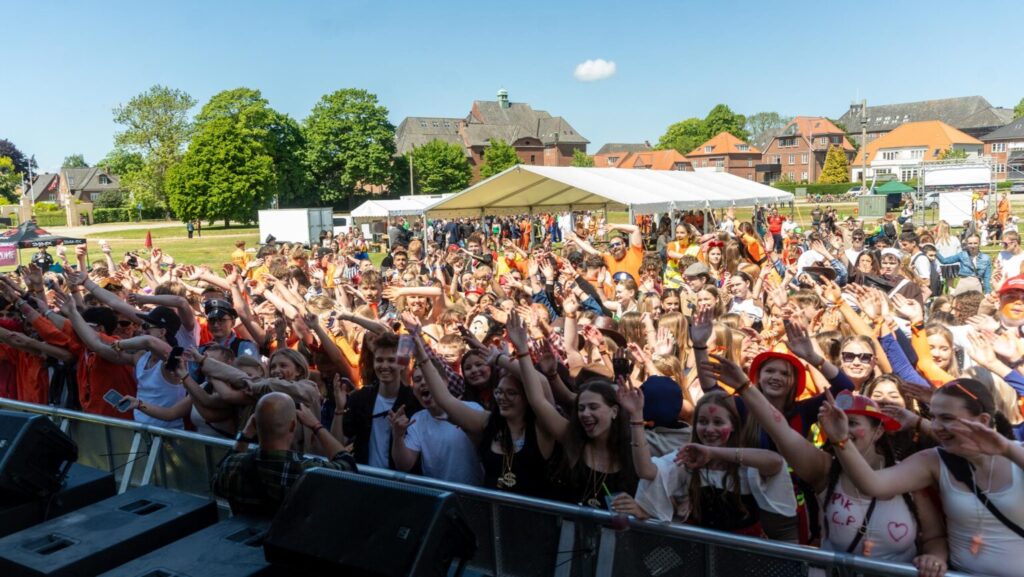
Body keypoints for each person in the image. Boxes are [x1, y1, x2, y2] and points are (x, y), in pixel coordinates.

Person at [212, 392, 356, 517]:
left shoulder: (232, 467)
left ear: (254, 424)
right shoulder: (305, 471)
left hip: (247, 543)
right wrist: (316, 425)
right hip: (289, 544)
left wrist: (246, 433)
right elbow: (348, 466)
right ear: (293, 425)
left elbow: (216, 480)